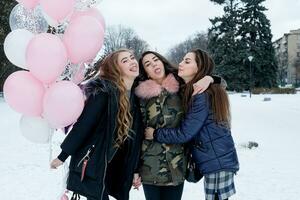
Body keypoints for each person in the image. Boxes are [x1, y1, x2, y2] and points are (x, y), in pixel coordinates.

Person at [144, 49, 239, 200]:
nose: (181, 63)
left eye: (187, 61)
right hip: (216, 158)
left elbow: (185, 133)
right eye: (182, 60)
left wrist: (155, 133)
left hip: (216, 159)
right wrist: (210, 78)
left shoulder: (201, 94)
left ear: (198, 68)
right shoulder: (192, 88)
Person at [50, 49, 144, 200]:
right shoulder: (104, 92)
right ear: (116, 69)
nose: (132, 62)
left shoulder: (135, 96)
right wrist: (62, 156)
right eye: (125, 61)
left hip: (118, 167)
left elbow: (136, 138)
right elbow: (84, 125)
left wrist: (135, 169)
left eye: (132, 58)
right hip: (97, 163)